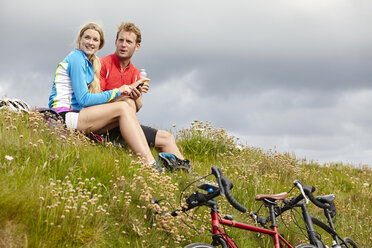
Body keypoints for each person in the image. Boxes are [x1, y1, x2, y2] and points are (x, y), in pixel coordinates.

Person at [48, 22, 158, 166]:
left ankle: (148, 160)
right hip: (63, 116)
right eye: (87, 37)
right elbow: (83, 99)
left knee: (127, 103)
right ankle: (149, 163)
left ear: (100, 45)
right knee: (123, 107)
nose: (90, 42)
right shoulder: (76, 58)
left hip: (77, 115)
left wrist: (132, 95)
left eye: (95, 40)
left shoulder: (89, 63)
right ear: (80, 39)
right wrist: (119, 91)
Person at [100, 22, 191, 168]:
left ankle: (186, 175)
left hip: (124, 124)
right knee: (125, 104)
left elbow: (138, 106)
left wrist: (136, 97)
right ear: (115, 42)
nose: (124, 45)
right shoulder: (102, 64)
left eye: (129, 42)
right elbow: (96, 101)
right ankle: (150, 164)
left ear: (137, 46)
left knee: (167, 138)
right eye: (121, 40)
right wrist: (125, 94)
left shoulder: (136, 73)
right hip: (103, 122)